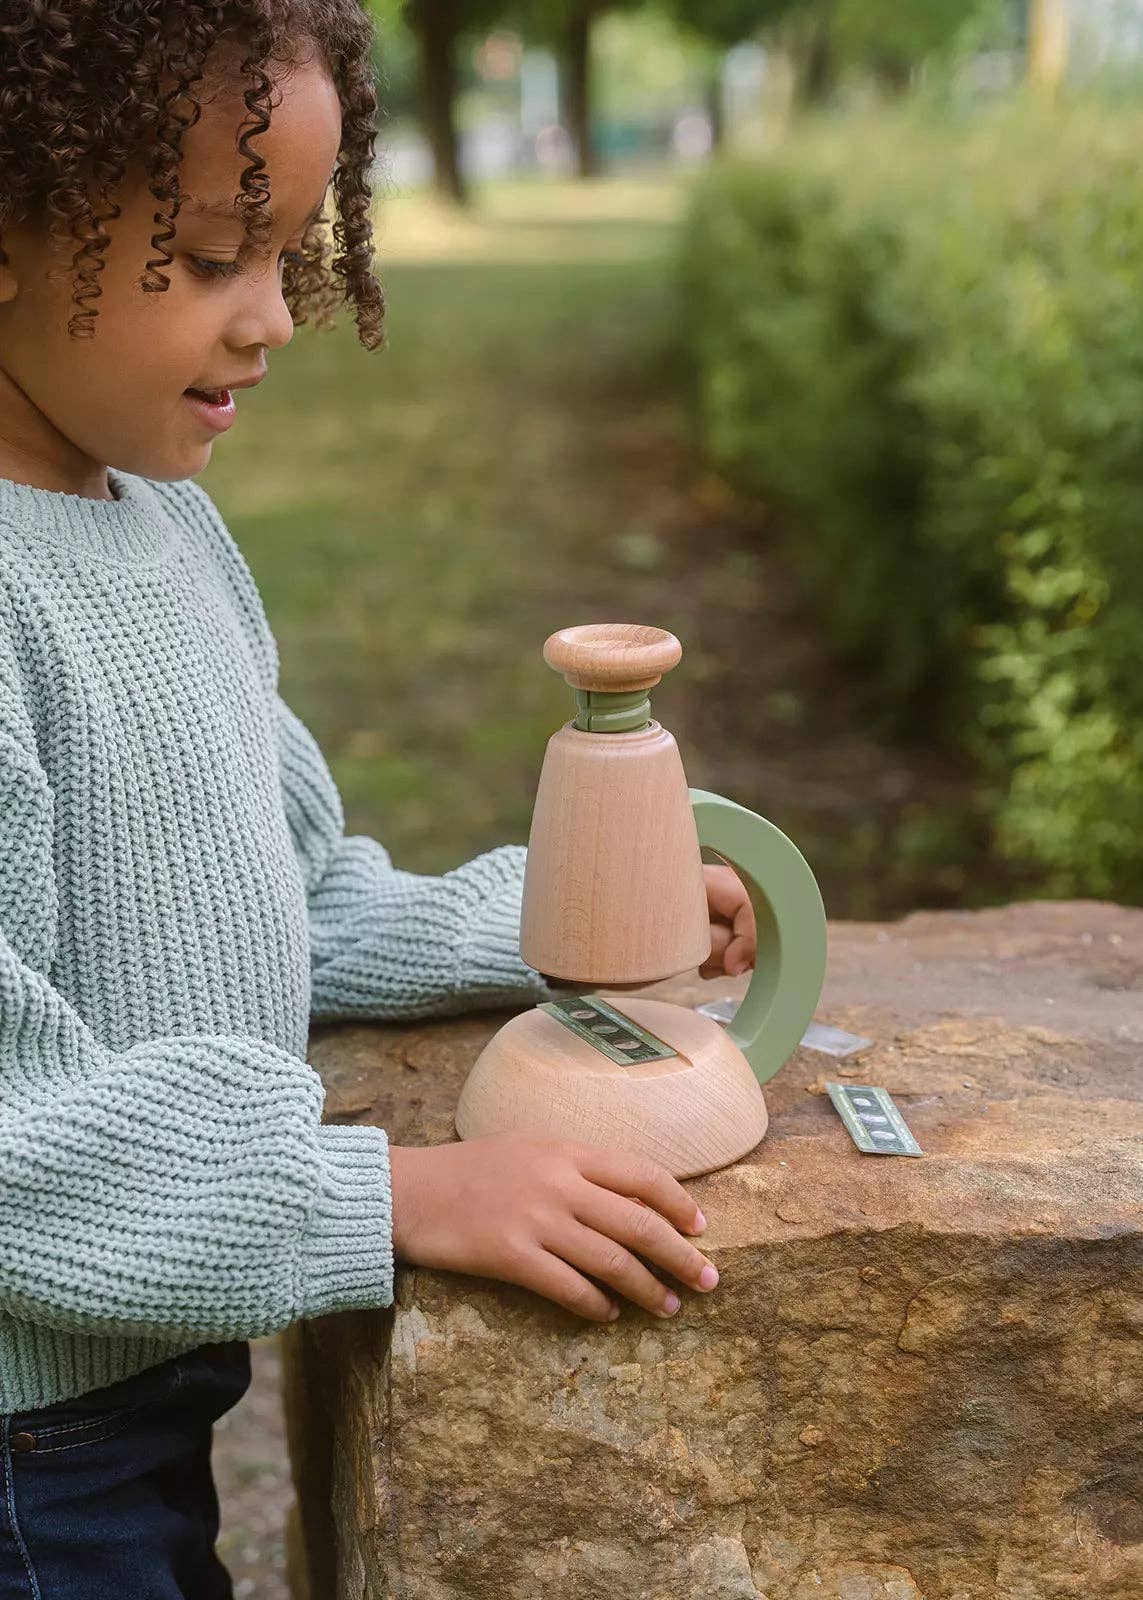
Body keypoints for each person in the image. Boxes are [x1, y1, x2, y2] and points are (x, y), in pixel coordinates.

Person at [0, 2, 757, 1594]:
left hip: (126, 1398)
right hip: (30, 1469)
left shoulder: (161, 528)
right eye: (215, 257)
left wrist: (557, 919)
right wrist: (393, 1191)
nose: (278, 318)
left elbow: (291, 892)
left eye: (291, 253)